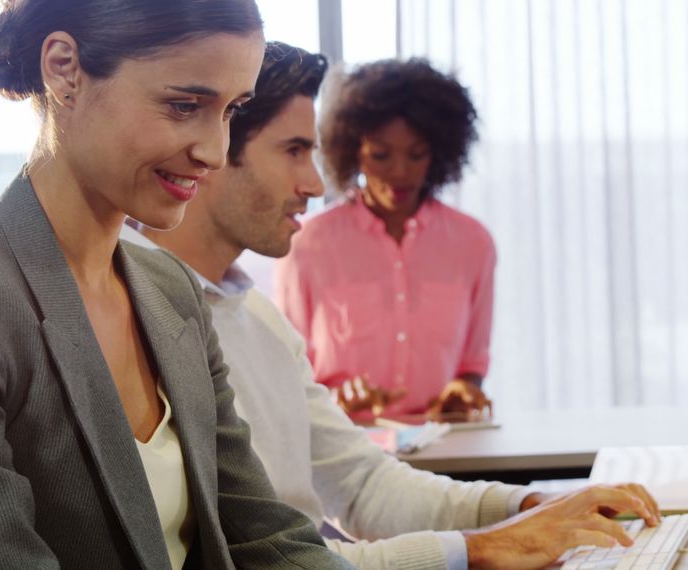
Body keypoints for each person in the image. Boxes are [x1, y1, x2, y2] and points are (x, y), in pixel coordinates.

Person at [132, 41, 660, 570]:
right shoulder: (138, 318)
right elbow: (268, 559)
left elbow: (363, 484)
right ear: (215, 147)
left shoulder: (258, 319)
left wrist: (530, 506)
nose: (315, 184)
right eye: (294, 150)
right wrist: (485, 548)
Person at [0, 2, 350, 568]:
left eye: (231, 111)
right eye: (184, 105)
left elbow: (266, 536)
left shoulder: (171, 289)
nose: (214, 152)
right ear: (64, 69)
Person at [273, 58, 496, 420]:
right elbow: (286, 368)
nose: (399, 171)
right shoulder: (307, 244)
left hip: (446, 441)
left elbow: (473, 362)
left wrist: (464, 392)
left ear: (438, 152)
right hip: (344, 440)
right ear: (352, 149)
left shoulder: (473, 243)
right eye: (381, 155)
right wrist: (336, 401)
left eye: (416, 154)